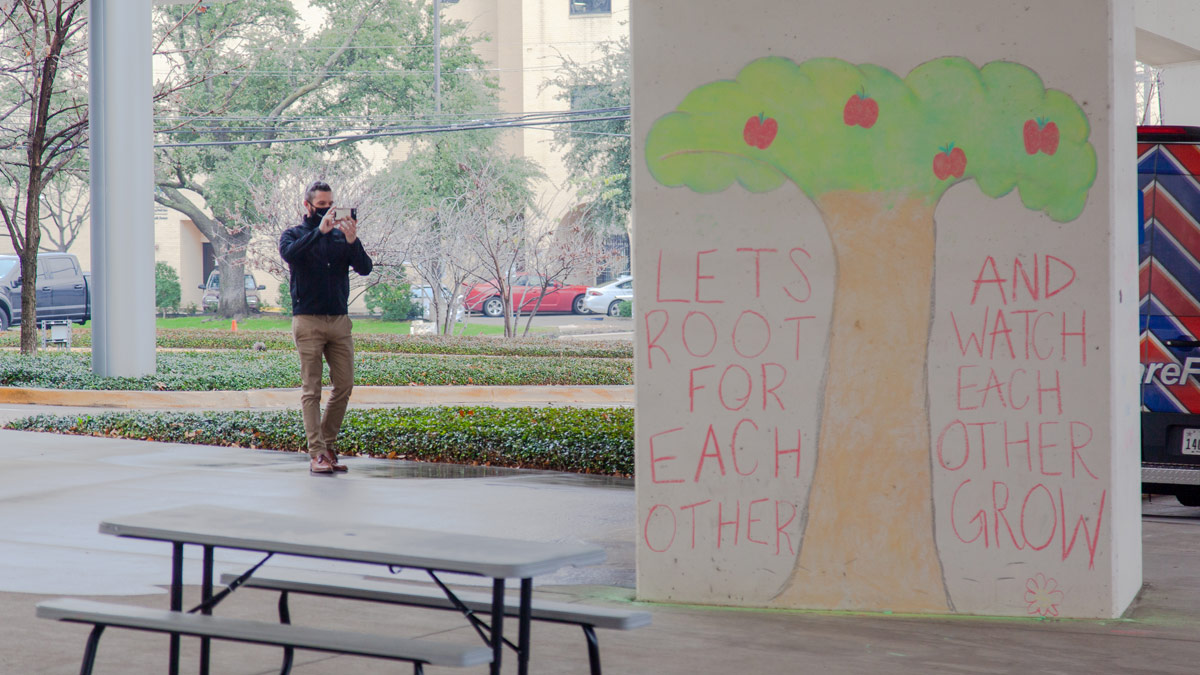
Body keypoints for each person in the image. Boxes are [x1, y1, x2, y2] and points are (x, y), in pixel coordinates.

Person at [279, 181, 373, 474]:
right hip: (308, 320)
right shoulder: (293, 235)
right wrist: (318, 233)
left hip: (340, 321)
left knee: (344, 385)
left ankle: (328, 445)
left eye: (331, 204)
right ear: (307, 206)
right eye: (321, 206)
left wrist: (352, 240)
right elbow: (290, 255)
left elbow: (365, 268)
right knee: (312, 389)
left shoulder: (339, 237)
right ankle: (317, 453)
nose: (327, 211)